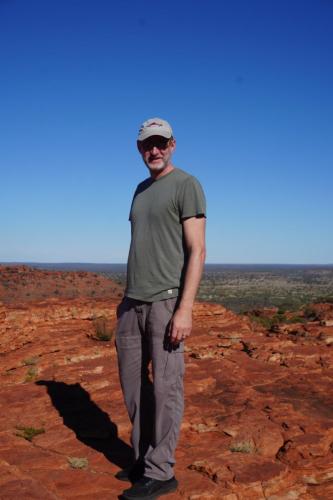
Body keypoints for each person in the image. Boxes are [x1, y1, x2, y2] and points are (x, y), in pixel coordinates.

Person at [115, 117, 206, 500]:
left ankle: (161, 471)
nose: (153, 149)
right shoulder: (140, 190)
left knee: (167, 389)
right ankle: (143, 458)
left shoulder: (186, 184)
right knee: (134, 388)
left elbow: (197, 250)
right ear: (139, 149)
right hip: (132, 301)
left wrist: (184, 309)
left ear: (172, 145)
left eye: (160, 143)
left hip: (166, 300)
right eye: (146, 144)